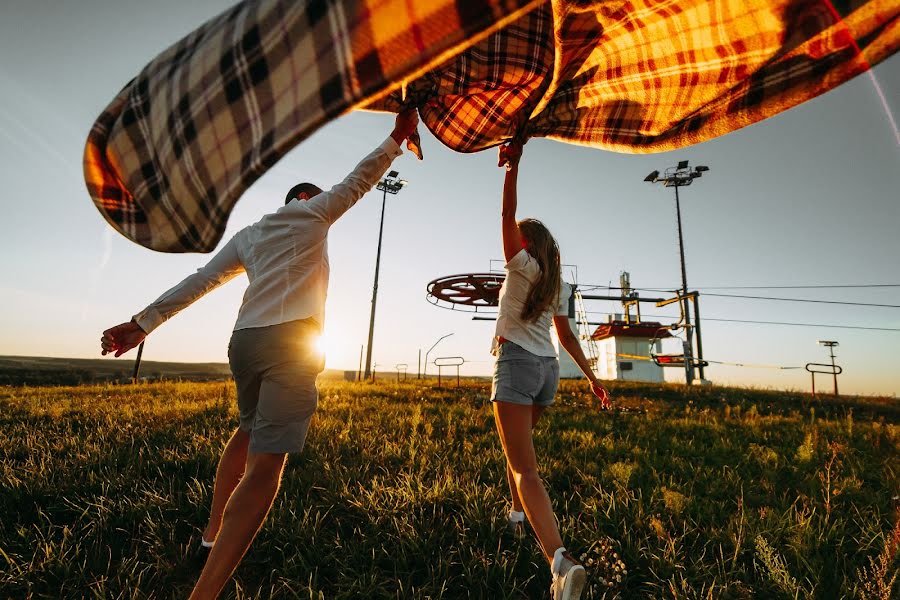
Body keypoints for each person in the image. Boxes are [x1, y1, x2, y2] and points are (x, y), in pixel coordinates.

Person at [99, 109, 419, 600]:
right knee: (266, 470)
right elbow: (359, 180)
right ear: (307, 200)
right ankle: (203, 592)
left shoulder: (251, 234)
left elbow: (202, 279)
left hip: (244, 343)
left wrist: (143, 323)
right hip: (291, 344)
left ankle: (210, 536)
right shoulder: (315, 214)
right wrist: (397, 138)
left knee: (247, 432)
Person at [491, 140, 611, 600]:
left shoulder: (519, 264)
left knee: (526, 468)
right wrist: (594, 379)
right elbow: (567, 338)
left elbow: (505, 216)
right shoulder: (556, 282)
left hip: (518, 363)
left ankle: (560, 563)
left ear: (525, 243)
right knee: (517, 451)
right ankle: (517, 517)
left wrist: (511, 169)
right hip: (547, 372)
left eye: (516, 234)